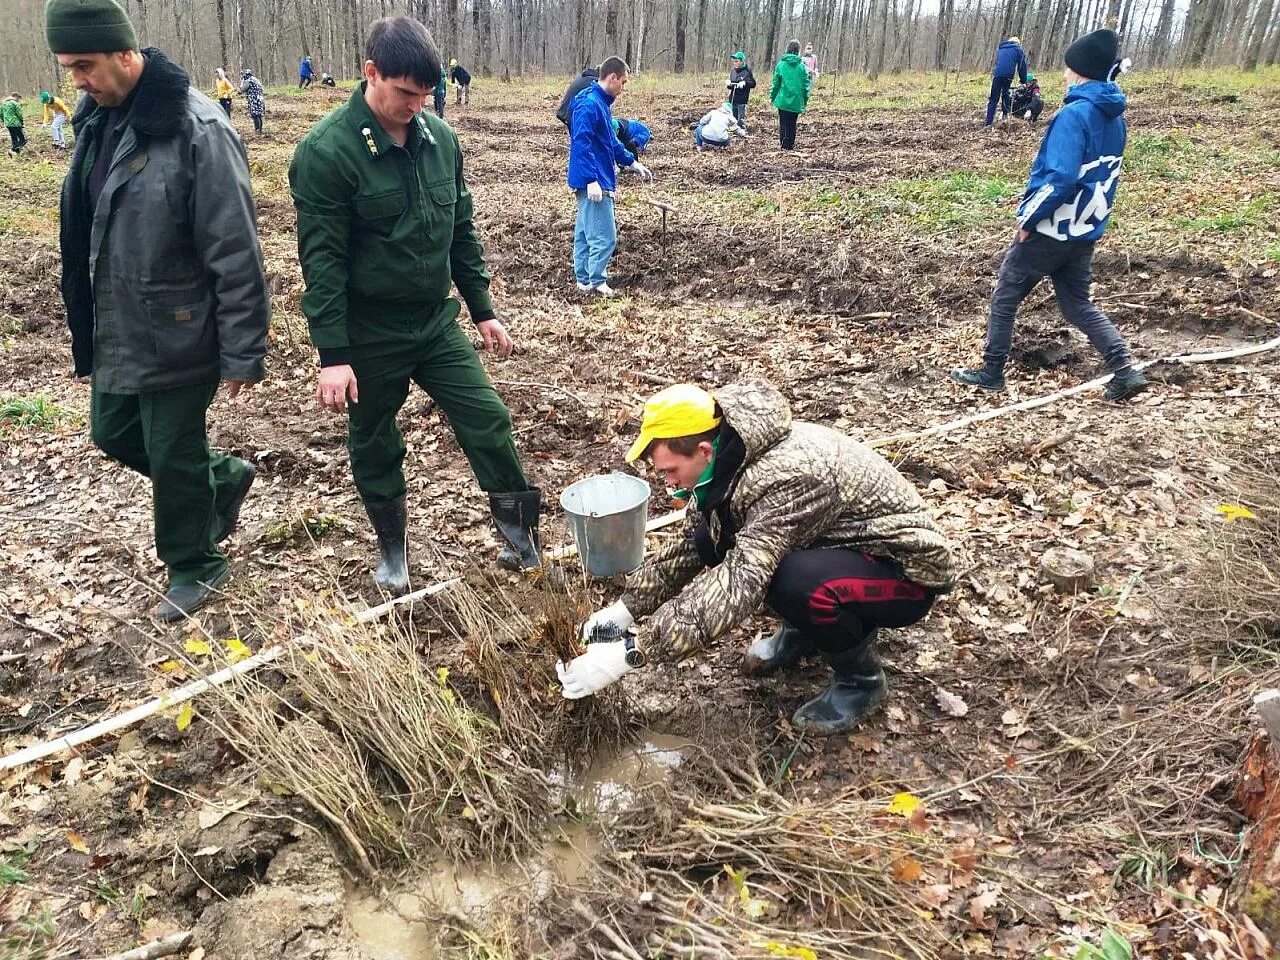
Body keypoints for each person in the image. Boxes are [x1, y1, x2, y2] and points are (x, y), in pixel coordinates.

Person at [288, 16, 543, 589]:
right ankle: (393, 552)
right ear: (370, 73)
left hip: (433, 323)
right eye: (406, 93)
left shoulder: (439, 141)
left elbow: (461, 231)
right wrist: (333, 354)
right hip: (370, 332)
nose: (417, 105)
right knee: (375, 437)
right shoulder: (326, 153)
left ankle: (521, 537)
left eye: (427, 94)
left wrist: (483, 310)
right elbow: (321, 262)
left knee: (488, 419)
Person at [555, 382, 958, 735]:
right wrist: (625, 610)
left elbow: (740, 580)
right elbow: (689, 546)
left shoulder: (788, 477)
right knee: (710, 538)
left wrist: (630, 653)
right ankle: (805, 632)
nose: (669, 483)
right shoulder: (726, 463)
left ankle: (861, 680)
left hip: (903, 571)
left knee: (793, 582)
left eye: (671, 471)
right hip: (840, 544)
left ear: (702, 449)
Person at [46, 0, 270, 621]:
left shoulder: (196, 127)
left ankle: (195, 564)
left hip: (180, 326)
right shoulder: (96, 123)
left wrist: (242, 348)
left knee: (172, 454)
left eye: (86, 66)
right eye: (69, 69)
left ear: (126, 53)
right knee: (112, 433)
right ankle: (222, 481)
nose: (79, 81)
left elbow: (235, 246)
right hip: (119, 321)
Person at [951, 29, 1147, 403]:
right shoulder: (1116, 117)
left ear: (1079, 71)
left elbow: (1059, 177)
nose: (1064, 74)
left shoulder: (1073, 116)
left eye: (1068, 67)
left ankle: (991, 371)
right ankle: (1124, 369)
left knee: (1006, 294)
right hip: (1085, 230)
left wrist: (1027, 219)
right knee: (1077, 304)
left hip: (1051, 228)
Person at [567, 56, 652, 297]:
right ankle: (596, 281)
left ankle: (583, 279)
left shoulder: (600, 104)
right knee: (605, 235)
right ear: (612, 77)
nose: (623, 89)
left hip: (595, 176)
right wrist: (591, 179)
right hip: (595, 180)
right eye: (623, 83)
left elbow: (610, 142)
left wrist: (631, 162)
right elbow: (580, 143)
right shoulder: (589, 105)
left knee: (584, 232)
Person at [769, 40, 809, 151]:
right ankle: (790, 145)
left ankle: (783, 145)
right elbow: (806, 86)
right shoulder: (802, 67)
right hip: (796, 101)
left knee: (783, 123)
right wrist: (805, 100)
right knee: (792, 123)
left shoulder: (781, 65)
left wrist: (772, 97)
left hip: (782, 100)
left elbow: (776, 83)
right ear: (798, 51)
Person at [986, 35, 1029, 127]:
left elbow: (997, 63)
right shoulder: (1018, 49)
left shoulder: (1001, 49)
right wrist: (1023, 80)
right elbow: (1022, 66)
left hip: (997, 75)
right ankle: (1005, 115)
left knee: (993, 98)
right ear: (1017, 43)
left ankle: (988, 122)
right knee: (1005, 94)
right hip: (1008, 75)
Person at [725, 51, 755, 132]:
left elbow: (753, 83)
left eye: (737, 61)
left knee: (740, 118)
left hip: (742, 98)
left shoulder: (747, 71)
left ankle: (741, 130)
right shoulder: (733, 71)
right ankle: (733, 130)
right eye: (734, 61)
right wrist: (729, 84)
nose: (735, 63)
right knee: (732, 116)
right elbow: (731, 86)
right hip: (733, 98)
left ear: (742, 62)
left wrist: (745, 83)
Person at [240, 68, 265, 133]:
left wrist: (242, 83)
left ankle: (257, 129)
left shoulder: (248, 80)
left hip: (253, 99)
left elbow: (242, 89)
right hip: (260, 98)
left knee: (255, 114)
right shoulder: (256, 79)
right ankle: (260, 129)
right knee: (259, 114)